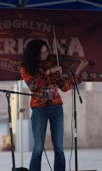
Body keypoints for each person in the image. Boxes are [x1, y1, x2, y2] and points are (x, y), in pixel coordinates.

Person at [19, 39, 90, 171]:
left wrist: (78, 70)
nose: (47, 55)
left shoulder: (50, 65)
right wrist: (49, 71)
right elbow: (33, 86)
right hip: (39, 109)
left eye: (47, 51)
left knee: (59, 147)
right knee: (38, 147)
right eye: (43, 53)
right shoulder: (25, 69)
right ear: (35, 54)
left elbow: (64, 86)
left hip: (56, 107)